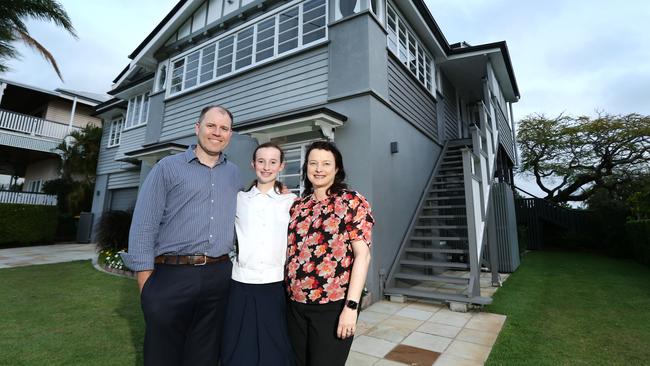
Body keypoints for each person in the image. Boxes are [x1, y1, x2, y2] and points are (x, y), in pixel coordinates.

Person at [121, 105, 240, 366]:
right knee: (163, 356)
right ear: (198, 128)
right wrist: (147, 288)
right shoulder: (168, 167)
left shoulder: (234, 174)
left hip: (219, 277)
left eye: (224, 128)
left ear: (230, 134)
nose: (217, 133)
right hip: (171, 277)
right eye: (211, 126)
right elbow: (143, 225)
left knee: (206, 357)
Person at [285, 140, 374, 366]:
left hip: (332, 307)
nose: (319, 169)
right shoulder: (298, 206)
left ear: (337, 169)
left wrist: (351, 308)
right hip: (295, 305)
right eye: (313, 163)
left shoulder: (351, 202)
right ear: (306, 168)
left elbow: (362, 256)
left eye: (326, 164)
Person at [221, 142, 297, 366]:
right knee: (239, 348)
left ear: (281, 166)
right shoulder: (238, 199)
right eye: (261, 161)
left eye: (273, 162)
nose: (266, 167)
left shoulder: (291, 202)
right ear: (253, 164)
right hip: (241, 283)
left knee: (275, 349)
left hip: (275, 284)